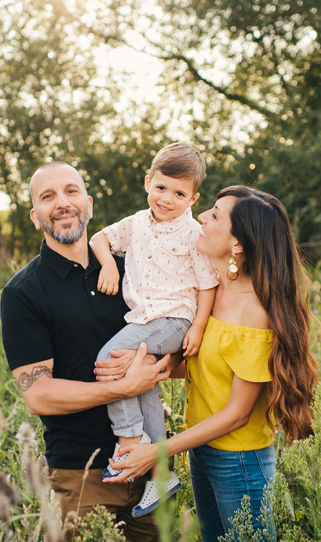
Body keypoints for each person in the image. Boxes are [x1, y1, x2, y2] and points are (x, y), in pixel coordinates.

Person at [98, 186, 319, 542]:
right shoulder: (214, 289)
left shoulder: (255, 312)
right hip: (200, 447)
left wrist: (156, 452)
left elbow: (238, 413)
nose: (201, 216)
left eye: (215, 215)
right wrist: (149, 363)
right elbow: (204, 363)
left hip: (239, 461)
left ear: (238, 245)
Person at [0, 161, 172, 542]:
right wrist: (122, 387)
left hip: (153, 470)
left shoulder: (134, 270)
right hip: (84, 475)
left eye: (71, 191)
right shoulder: (23, 294)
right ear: (35, 216)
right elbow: (39, 395)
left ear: (89, 205)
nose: (62, 203)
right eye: (48, 197)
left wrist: (161, 360)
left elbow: (178, 337)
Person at [90, 143, 218, 517]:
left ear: (193, 197)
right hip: (145, 319)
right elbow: (100, 238)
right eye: (161, 187)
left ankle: (130, 440)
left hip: (173, 321)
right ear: (148, 182)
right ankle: (160, 473)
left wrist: (196, 328)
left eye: (179, 193)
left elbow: (207, 285)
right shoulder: (136, 223)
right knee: (142, 381)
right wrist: (109, 266)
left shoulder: (193, 234)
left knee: (109, 359)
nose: (167, 199)